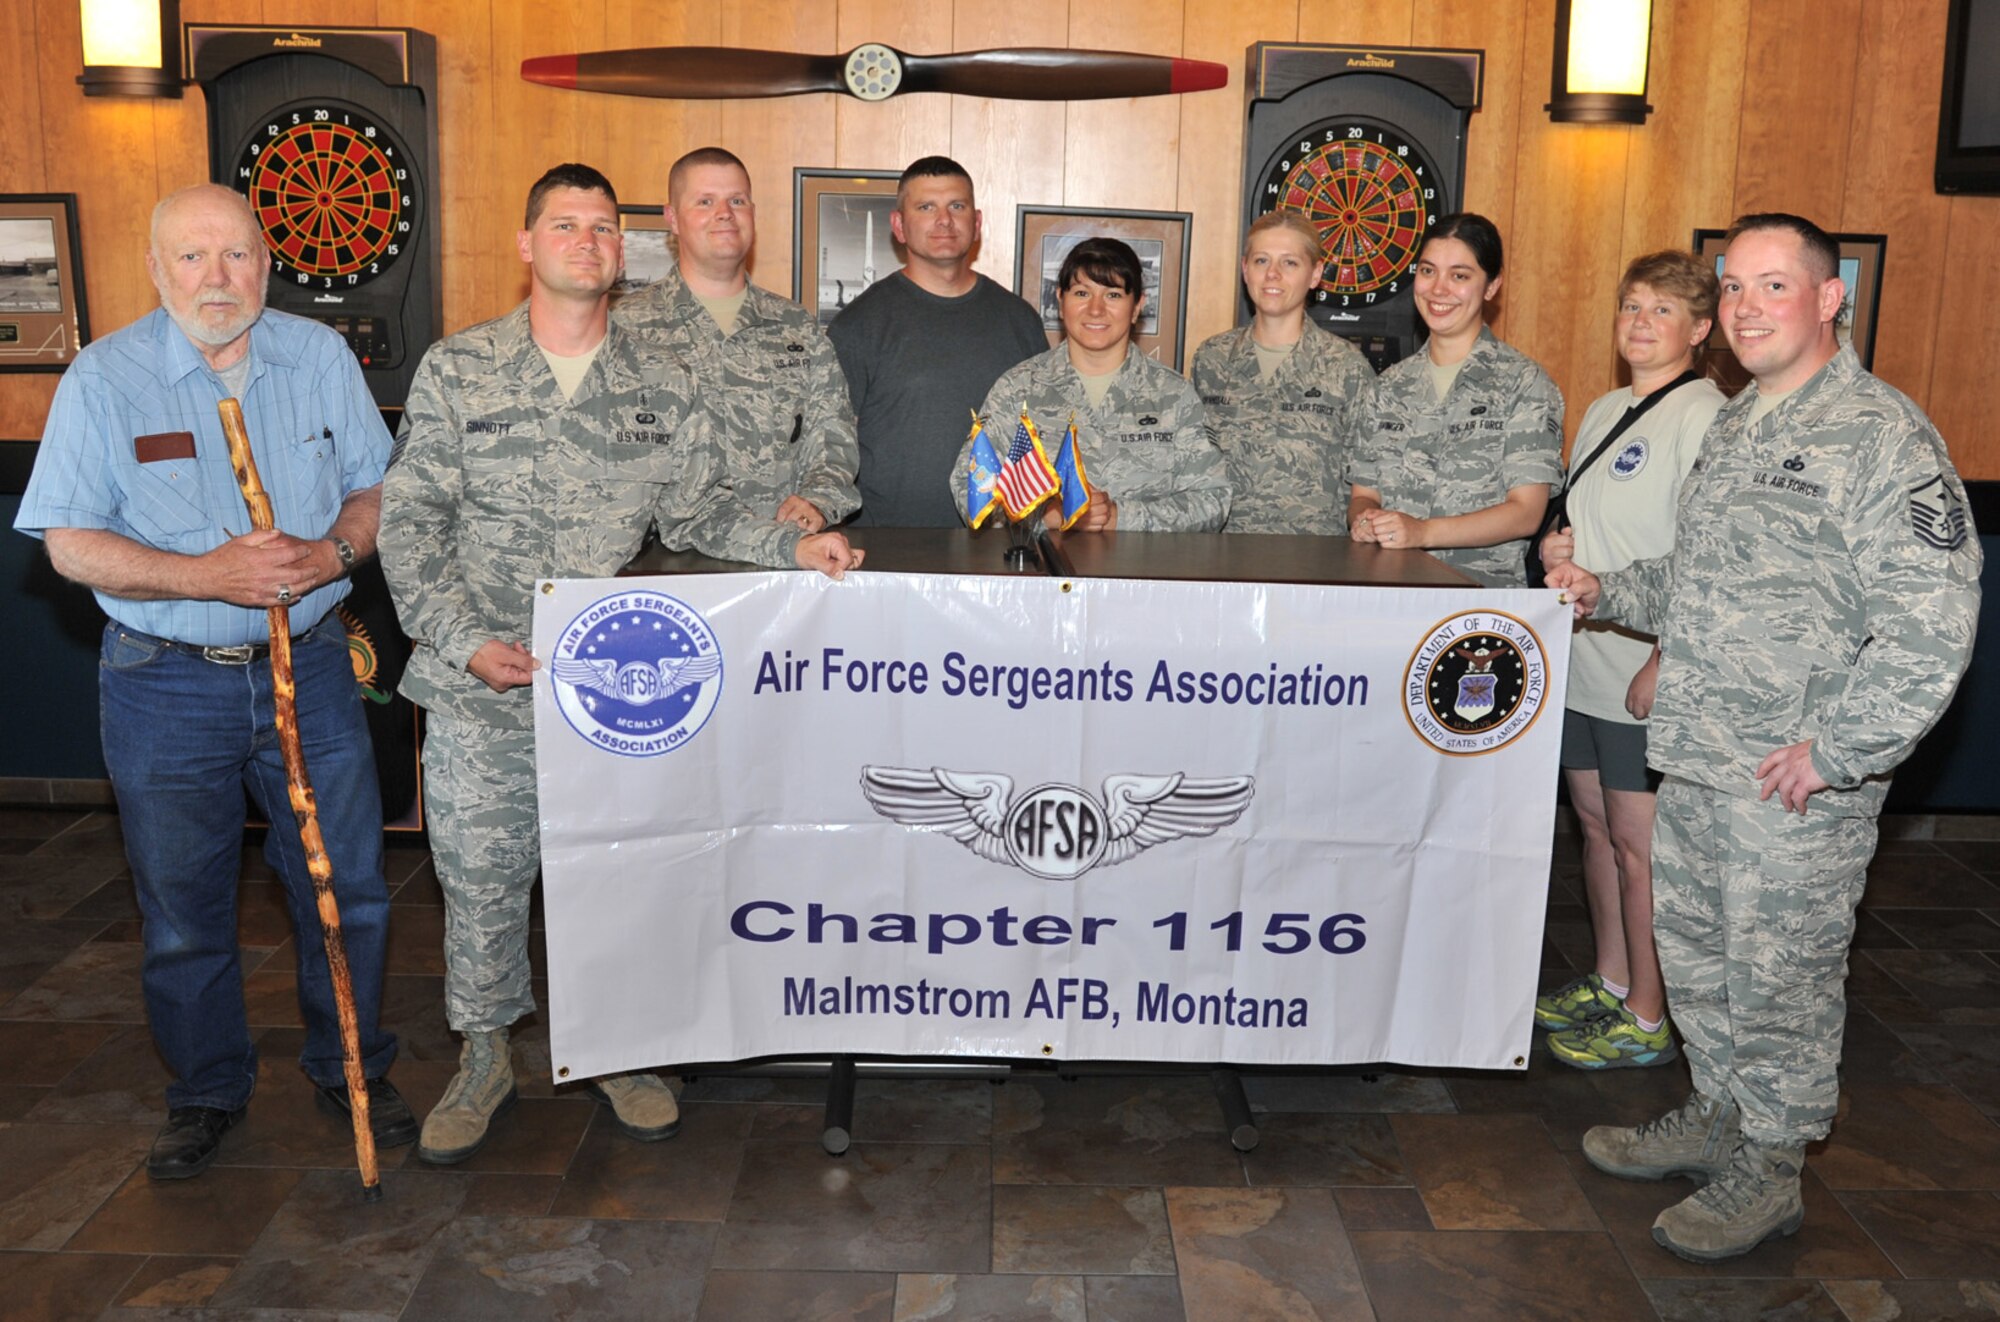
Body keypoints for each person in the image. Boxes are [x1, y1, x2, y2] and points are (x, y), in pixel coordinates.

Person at [379, 164, 863, 1165]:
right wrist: (461, 637)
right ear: (525, 243)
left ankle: (618, 1048)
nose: (587, 241)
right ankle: (483, 1055)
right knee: (480, 874)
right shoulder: (458, 369)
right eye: (565, 224)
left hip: (611, 687)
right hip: (480, 683)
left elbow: (698, 514)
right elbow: (410, 525)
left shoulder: (658, 384)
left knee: (616, 873)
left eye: (604, 227)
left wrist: (793, 545)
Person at [1549, 213, 1980, 1262]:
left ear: (1828, 300)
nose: (1744, 306)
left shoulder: (1881, 435)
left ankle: (1770, 1167)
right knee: (1698, 956)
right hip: (1697, 751)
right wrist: (1609, 587)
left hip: (1791, 785)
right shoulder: (1738, 423)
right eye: (1732, 287)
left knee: (1779, 970)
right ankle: (1718, 1112)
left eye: (1771, 287)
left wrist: (1836, 752)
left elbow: (1933, 622)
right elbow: (1697, 583)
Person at [13, 183, 412, 1178]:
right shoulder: (105, 380)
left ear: (267, 264)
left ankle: (350, 1065)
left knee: (348, 886)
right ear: (154, 270)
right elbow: (67, 544)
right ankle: (205, 1089)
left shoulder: (317, 358)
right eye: (191, 258)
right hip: (162, 684)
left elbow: (378, 485)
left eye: (236, 256)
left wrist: (332, 553)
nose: (216, 278)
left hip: (312, 673)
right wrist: (206, 575)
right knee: (184, 908)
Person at [1532, 251, 1726, 1070]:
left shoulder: (1706, 416)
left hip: (1644, 663)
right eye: (1631, 308)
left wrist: (1668, 663)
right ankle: (1613, 980)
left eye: (1662, 311)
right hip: (1584, 656)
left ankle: (1651, 1013)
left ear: (1701, 329)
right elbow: (1588, 524)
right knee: (1594, 830)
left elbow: (1708, 558)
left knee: (1643, 848)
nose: (1640, 324)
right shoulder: (1609, 406)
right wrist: (1556, 542)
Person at [613, 146, 858, 533]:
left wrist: (818, 498)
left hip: (784, 550)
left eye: (737, 200)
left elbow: (833, 433)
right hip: (664, 560)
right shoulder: (625, 326)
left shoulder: (796, 327)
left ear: (753, 214)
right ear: (672, 219)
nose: (724, 213)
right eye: (705, 201)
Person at [952, 236, 1228, 531]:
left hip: (1141, 574)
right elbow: (969, 488)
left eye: (1113, 295)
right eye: (1082, 293)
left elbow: (1213, 501)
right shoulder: (1018, 389)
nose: (1096, 310)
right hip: (1044, 574)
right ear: (1060, 301)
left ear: (1137, 307)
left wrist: (1120, 517)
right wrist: (1045, 518)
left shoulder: (1173, 395)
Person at [828, 156, 1047, 528]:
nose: (944, 220)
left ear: (976, 224)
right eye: (926, 207)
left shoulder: (1020, 320)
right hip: (888, 555)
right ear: (899, 225)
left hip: (998, 552)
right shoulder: (858, 325)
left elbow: (1044, 436)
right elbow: (828, 448)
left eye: (956, 206)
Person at [1348, 213, 1562, 584]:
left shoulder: (1523, 383)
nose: (1438, 289)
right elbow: (1364, 494)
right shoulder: (1387, 387)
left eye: (1459, 276)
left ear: (1491, 286)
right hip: (1387, 594)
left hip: (1475, 608)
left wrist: (1424, 533)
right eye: (1428, 271)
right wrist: (1365, 520)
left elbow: (1526, 512)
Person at [1191, 210, 1374, 534]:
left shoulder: (1346, 366)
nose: (1272, 274)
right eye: (1262, 261)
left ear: (1315, 274)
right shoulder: (1212, 359)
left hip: (1314, 567)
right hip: (1222, 562)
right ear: (1245, 269)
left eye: (1289, 263)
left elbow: (1367, 480)